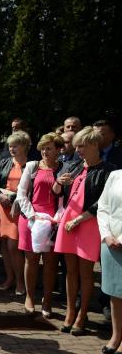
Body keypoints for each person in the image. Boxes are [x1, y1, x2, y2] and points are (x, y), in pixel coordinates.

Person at [53, 126, 115, 334]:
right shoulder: (74, 166)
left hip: (89, 223)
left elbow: (102, 203)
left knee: (86, 273)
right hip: (69, 222)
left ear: (95, 145)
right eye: (77, 146)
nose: (78, 150)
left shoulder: (108, 171)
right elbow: (57, 193)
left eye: (82, 146)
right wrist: (58, 183)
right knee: (70, 271)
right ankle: (71, 312)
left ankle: (82, 315)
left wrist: (79, 219)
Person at [16, 133, 65, 317]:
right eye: (42, 148)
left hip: (53, 220)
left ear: (58, 150)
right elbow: (21, 193)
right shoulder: (32, 166)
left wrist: (57, 218)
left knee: (51, 262)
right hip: (31, 218)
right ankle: (29, 297)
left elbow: (65, 196)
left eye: (49, 148)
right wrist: (32, 215)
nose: (45, 152)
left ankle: (47, 300)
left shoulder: (64, 168)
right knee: (31, 259)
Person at [0, 131, 30, 295]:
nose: (11, 149)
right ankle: (9, 278)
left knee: (13, 246)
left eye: (15, 146)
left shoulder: (31, 165)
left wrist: (14, 198)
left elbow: (32, 188)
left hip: (19, 208)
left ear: (24, 146)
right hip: (2, 206)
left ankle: (21, 282)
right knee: (4, 245)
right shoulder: (4, 162)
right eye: (10, 146)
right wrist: (0, 196)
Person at [98, 169, 122, 354]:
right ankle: (116, 335)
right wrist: (106, 235)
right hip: (110, 242)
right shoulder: (115, 175)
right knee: (115, 291)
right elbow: (103, 207)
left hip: (119, 240)